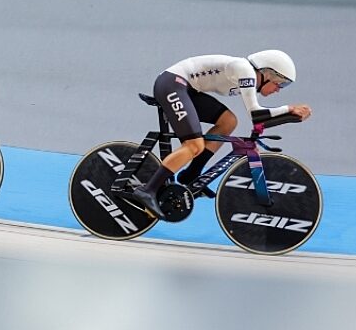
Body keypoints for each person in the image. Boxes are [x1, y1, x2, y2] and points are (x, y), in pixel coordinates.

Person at [122, 49, 312, 218]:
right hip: (173, 84)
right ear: (267, 73)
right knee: (194, 145)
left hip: (186, 88)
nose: (278, 90)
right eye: (280, 84)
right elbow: (255, 113)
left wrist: (289, 116)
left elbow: (259, 120)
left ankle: (191, 174)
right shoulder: (245, 71)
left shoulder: (250, 76)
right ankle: (148, 190)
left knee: (229, 121)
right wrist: (289, 109)